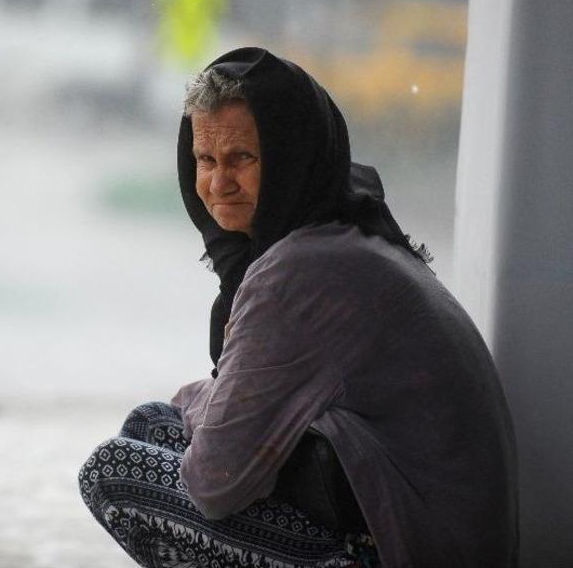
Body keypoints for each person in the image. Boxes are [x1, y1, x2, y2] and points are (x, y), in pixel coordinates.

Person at [78, 47, 518, 567]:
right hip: (396, 523)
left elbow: (215, 483)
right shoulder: (339, 234)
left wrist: (202, 399)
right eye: (205, 160)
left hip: (396, 551)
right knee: (152, 426)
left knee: (112, 470)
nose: (218, 185)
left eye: (242, 158)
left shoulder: (300, 273)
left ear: (290, 158)